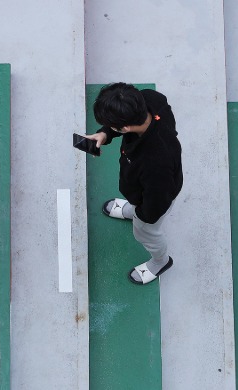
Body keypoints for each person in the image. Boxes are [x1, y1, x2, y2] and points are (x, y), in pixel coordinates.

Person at [85, 83, 183, 285]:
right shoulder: (150, 99)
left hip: (154, 202)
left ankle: (160, 262)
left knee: (146, 233)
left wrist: (143, 216)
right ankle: (132, 209)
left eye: (112, 127)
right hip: (143, 189)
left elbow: (157, 202)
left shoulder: (156, 161)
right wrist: (105, 133)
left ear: (126, 128)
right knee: (139, 206)